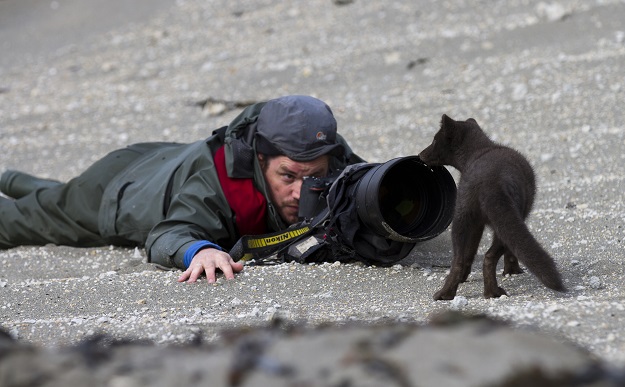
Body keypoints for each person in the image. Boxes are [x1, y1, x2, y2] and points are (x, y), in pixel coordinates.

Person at [0, 95, 363, 283]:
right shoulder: (217, 180)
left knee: (52, 196)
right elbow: (168, 234)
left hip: (166, 162)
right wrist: (198, 251)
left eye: (313, 175)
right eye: (288, 177)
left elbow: (369, 187)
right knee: (27, 218)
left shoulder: (327, 155)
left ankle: (12, 179)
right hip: (116, 189)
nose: (302, 192)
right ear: (260, 159)